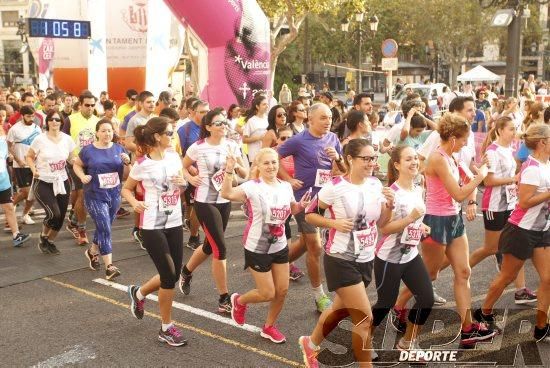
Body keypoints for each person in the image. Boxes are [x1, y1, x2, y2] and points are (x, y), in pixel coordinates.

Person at [392, 113, 497, 346]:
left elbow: (468, 185)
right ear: (451, 138)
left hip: (453, 219)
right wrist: (480, 176)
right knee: (429, 275)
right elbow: (459, 192)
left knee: (464, 272)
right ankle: (399, 307)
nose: (465, 144)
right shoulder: (437, 159)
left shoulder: (453, 157)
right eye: (462, 140)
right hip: (435, 221)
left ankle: (468, 329)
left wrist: (474, 191)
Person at [299, 139, 394, 367]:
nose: (372, 163)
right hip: (340, 258)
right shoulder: (335, 187)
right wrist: (334, 224)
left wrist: (389, 207)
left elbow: (381, 224)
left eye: (374, 158)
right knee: (363, 318)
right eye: (366, 158)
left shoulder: (374, 185)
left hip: (365, 258)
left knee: (338, 310)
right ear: (350, 159)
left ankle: (309, 344)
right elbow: (310, 215)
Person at [221, 147, 310, 343]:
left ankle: (269, 327)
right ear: (258, 166)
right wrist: (229, 170)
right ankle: (239, 300)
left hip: (279, 246)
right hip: (257, 247)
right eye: (266, 163)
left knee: (282, 290)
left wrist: (300, 206)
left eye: (274, 162)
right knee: (267, 293)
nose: (271, 166)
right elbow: (226, 193)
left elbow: (292, 209)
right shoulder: (252, 187)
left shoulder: (285, 186)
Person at [475, 124, 550, 342]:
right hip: (520, 231)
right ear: (542, 142)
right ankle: (484, 311)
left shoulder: (546, 165)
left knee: (547, 279)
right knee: (507, 277)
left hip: (542, 230)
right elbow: (525, 202)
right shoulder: (532, 168)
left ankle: (541, 327)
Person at [124, 117, 188, 347]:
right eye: (170, 132)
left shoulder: (174, 157)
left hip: (174, 222)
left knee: (170, 274)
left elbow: (183, 186)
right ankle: (166, 328)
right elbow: (127, 188)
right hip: (152, 225)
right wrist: (134, 203)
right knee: (169, 276)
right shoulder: (142, 164)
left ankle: (138, 293)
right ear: (158, 136)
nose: (173, 136)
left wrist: (184, 183)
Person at [277, 103, 346, 313]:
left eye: (330, 118)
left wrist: (338, 158)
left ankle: (276, 264)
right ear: (311, 119)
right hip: (305, 200)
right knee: (315, 246)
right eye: (323, 118)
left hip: (326, 199)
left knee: (307, 244)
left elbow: (343, 169)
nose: (328, 122)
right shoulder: (299, 140)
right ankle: (319, 296)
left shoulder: (333, 139)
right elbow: (273, 156)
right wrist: (288, 179)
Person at [179, 108, 248, 313]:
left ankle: (186, 271)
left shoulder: (232, 145)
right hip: (204, 202)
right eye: (218, 123)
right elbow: (182, 166)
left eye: (225, 123)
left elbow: (245, 172)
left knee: (210, 246)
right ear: (208, 127)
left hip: (224, 200)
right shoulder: (198, 147)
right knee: (220, 248)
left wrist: (234, 166)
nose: (223, 126)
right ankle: (223, 297)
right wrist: (190, 178)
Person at [372, 145, 434, 352]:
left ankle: (408, 342)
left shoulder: (418, 188)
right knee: (385, 303)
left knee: (426, 299)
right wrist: (410, 219)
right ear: (397, 164)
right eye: (408, 159)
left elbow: (414, 220)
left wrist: (420, 225)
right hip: (389, 258)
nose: (414, 162)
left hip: (410, 256)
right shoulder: (391, 194)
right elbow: (384, 229)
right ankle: (364, 337)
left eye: (415, 158)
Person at [474, 117, 536, 303]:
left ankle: (521, 290)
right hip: (493, 206)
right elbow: (489, 182)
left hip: (509, 204)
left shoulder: (509, 150)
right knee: (491, 248)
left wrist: (515, 184)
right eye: (510, 129)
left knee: (515, 246)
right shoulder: (492, 151)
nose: (514, 132)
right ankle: (463, 270)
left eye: (515, 128)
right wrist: (514, 179)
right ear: (500, 130)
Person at [73, 119, 130, 280]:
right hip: (95, 195)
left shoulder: (119, 149)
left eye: (110, 131)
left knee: (104, 227)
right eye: (103, 130)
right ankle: (109, 267)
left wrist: (127, 162)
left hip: (114, 195)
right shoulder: (88, 150)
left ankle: (92, 252)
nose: (107, 134)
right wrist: (82, 176)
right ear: (97, 133)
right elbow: (76, 165)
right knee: (105, 227)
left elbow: (127, 175)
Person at [27, 110, 76, 254]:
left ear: (62, 122)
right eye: (51, 119)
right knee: (54, 214)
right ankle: (43, 237)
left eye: (58, 119)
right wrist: (33, 169)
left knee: (60, 218)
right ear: (47, 122)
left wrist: (75, 162)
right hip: (43, 181)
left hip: (62, 180)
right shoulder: (40, 139)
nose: (54, 122)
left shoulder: (67, 139)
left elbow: (72, 158)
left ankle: (50, 241)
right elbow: (29, 156)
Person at [63, 91, 100, 245]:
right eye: (87, 105)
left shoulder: (98, 121)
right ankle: (82, 230)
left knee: (86, 197)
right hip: (75, 163)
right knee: (82, 194)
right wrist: (69, 158)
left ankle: (73, 220)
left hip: (93, 163)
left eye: (93, 105)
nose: (90, 108)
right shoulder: (70, 120)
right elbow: (62, 141)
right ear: (80, 105)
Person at [177, 99, 210, 250]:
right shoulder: (185, 130)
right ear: (192, 112)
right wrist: (189, 169)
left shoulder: (210, 128)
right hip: (194, 175)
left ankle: (196, 231)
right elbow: (179, 153)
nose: (206, 114)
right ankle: (193, 236)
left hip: (210, 175)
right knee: (195, 206)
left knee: (203, 206)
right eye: (202, 112)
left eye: (207, 111)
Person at [7, 105, 40, 225]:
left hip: (35, 165)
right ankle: (10, 207)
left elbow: (40, 145)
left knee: (34, 192)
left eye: (33, 116)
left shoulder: (37, 127)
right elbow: (9, 146)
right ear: (22, 116)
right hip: (20, 165)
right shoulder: (15, 129)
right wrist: (18, 160)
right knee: (26, 192)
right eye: (28, 116)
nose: (31, 118)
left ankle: (24, 215)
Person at [0, 126, 31, 247]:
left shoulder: (2, 141)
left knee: (8, 207)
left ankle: (16, 235)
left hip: (3, 181)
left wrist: (10, 158)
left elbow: (5, 158)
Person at [243, 94, 269, 163]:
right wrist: (259, 138)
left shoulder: (268, 119)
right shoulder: (251, 121)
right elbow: (244, 139)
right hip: (255, 157)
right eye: (264, 104)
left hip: (266, 156)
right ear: (257, 106)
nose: (267, 106)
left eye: (267, 104)